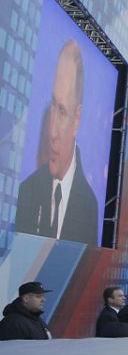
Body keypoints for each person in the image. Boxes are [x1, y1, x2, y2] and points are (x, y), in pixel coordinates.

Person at [14, 40, 99, 245]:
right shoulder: (27, 191)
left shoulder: (89, 204)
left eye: (62, 111)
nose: (52, 131)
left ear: (77, 119)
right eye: (53, 106)